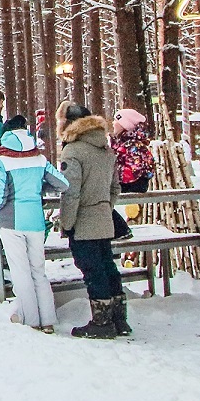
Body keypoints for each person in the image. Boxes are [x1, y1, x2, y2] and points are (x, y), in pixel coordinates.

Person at [0, 126, 68, 333]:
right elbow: (63, 184)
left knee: (20, 271)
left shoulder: (2, 162)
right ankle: (48, 320)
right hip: (36, 221)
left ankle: (30, 319)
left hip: (11, 222)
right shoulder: (40, 160)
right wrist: (39, 188)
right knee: (38, 271)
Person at [58, 103, 127, 338]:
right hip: (104, 218)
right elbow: (115, 187)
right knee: (108, 267)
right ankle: (119, 318)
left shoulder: (73, 151)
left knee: (92, 270)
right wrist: (104, 206)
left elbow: (71, 192)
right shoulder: (105, 149)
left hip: (83, 221)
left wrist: (66, 223)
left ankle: (102, 322)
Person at [112, 108, 154, 194]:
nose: (113, 123)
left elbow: (134, 171)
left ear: (124, 125)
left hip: (130, 190)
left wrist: (112, 174)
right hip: (124, 188)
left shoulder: (133, 146)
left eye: (116, 120)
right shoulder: (122, 143)